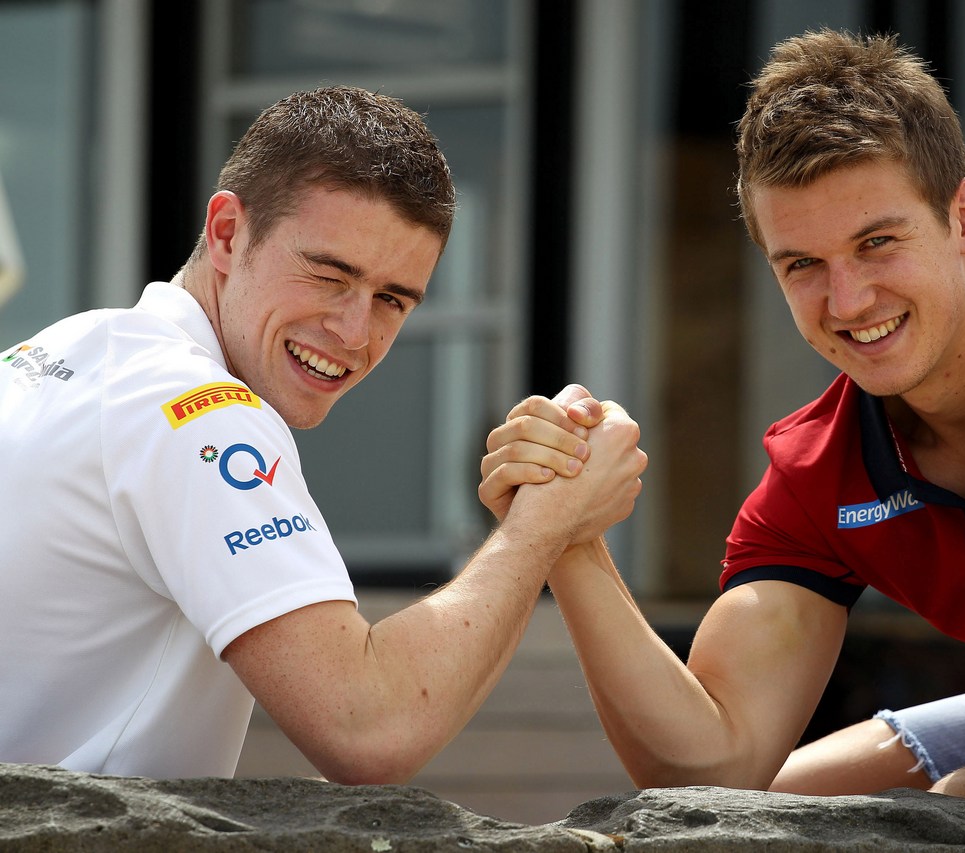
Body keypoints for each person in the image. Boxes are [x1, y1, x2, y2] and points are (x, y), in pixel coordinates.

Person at [479, 30, 965, 815]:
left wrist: (942, 811)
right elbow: (709, 764)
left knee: (912, 816)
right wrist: (567, 537)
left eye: (878, 243)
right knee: (750, 816)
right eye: (803, 265)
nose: (849, 300)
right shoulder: (818, 469)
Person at [0, 85, 646, 783]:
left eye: (393, 299)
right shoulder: (199, 412)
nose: (354, 332)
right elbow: (368, 726)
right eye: (329, 274)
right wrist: (543, 523)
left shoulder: (68, 346)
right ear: (226, 233)